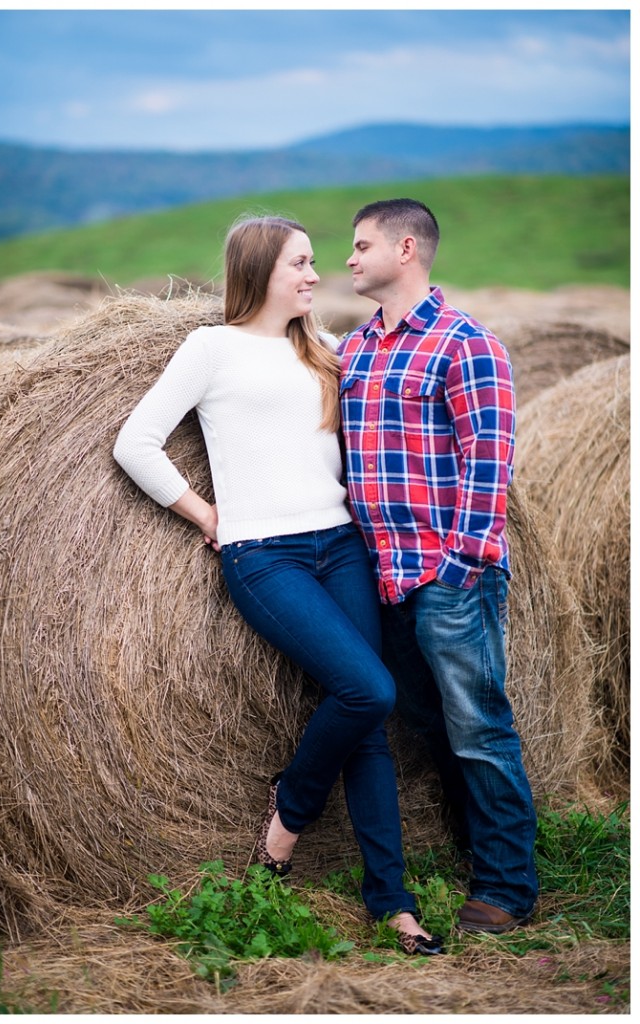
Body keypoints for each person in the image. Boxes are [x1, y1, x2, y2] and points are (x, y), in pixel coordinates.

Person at [113, 214, 443, 956]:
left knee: (369, 727)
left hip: (341, 546)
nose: (315, 275)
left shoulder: (323, 349)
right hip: (265, 557)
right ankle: (287, 820)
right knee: (369, 691)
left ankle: (392, 903)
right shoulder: (211, 349)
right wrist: (206, 515)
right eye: (301, 263)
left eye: (315, 262)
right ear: (261, 268)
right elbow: (134, 442)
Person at [338, 198, 538, 934]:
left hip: (447, 576)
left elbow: (490, 467)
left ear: (408, 247)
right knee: (426, 728)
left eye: (362, 246)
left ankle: (509, 886)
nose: (350, 259)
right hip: (383, 577)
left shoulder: (466, 345)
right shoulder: (355, 350)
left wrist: (459, 568)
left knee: (479, 729)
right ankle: (470, 848)